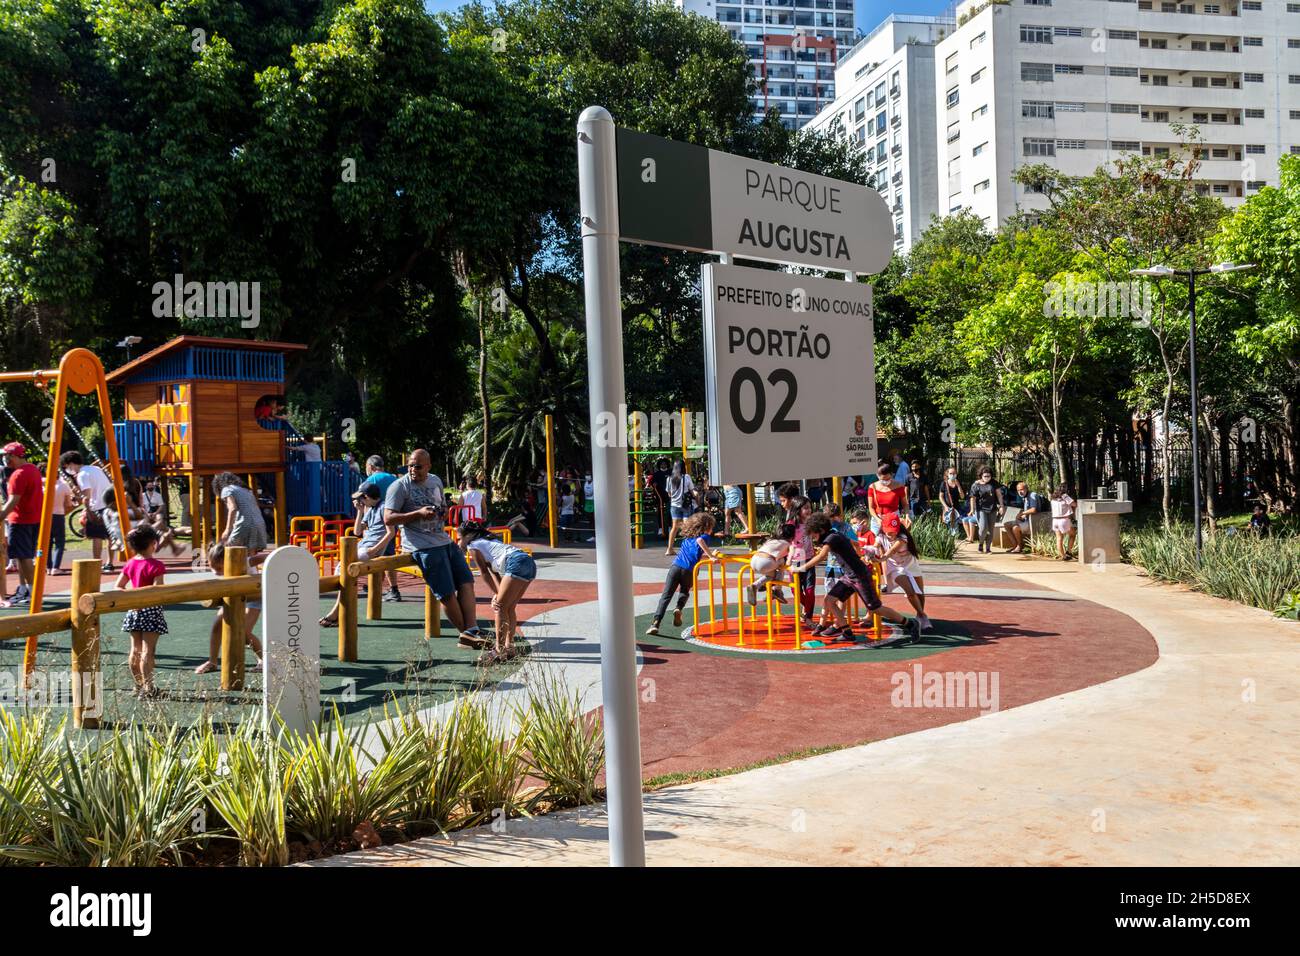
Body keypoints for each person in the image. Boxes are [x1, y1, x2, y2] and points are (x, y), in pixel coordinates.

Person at [385, 448, 484, 648]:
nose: (413, 469)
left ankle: (472, 630)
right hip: (421, 545)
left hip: (443, 539)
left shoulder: (435, 480)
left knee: (466, 581)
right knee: (446, 592)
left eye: (418, 466)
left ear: (428, 466)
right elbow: (388, 517)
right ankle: (466, 634)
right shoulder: (399, 487)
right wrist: (418, 513)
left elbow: (442, 506)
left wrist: (443, 512)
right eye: (410, 465)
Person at [791, 512, 921, 644]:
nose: (813, 537)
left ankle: (910, 624)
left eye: (813, 534)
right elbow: (849, 544)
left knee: (875, 608)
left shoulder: (832, 538)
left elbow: (822, 556)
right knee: (829, 600)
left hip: (860, 576)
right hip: (849, 576)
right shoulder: (833, 535)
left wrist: (801, 568)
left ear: (821, 530)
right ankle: (846, 632)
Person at [458, 519, 538, 662]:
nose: (459, 542)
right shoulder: (489, 542)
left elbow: (484, 573)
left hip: (516, 562)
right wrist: (497, 593)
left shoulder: (473, 545)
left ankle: (498, 650)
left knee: (500, 607)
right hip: (528, 562)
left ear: (468, 536)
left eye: (460, 538)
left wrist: (498, 597)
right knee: (509, 607)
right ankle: (509, 647)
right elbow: (493, 572)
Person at [319, 482, 395, 626]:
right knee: (341, 572)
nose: (360, 501)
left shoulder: (384, 508)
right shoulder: (370, 509)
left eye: (361, 498)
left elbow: (391, 533)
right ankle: (337, 612)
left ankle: (336, 613)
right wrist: (360, 511)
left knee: (344, 571)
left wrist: (374, 550)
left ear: (367, 497)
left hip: (369, 549)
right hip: (363, 546)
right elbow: (357, 532)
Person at [115, 525, 169, 699]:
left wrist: (133, 600)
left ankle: (138, 686)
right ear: (154, 543)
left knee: (135, 650)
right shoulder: (156, 565)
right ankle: (149, 687)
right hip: (151, 610)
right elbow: (158, 590)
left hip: (134, 610)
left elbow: (119, 586)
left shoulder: (130, 564)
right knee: (148, 651)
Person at [194, 541, 265, 676]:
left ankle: (264, 660)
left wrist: (268, 573)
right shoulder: (220, 566)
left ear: (228, 560)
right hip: (234, 596)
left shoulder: (244, 561)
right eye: (212, 567)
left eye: (219, 568)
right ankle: (212, 661)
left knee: (244, 632)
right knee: (217, 625)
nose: (216, 572)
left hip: (254, 599)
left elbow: (265, 557)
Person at [647, 513, 716, 636]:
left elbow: (693, 553)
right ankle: (678, 608)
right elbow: (700, 541)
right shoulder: (704, 537)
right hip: (689, 571)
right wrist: (711, 556)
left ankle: (655, 623)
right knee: (684, 591)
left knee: (666, 596)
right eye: (711, 527)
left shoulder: (687, 539)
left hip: (675, 567)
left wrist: (709, 555)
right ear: (706, 527)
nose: (712, 530)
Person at [0, 443, 43, 606]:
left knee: (24, 557)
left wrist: (1, 515)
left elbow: (13, 500)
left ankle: (33, 592)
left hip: (20, 521)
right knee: (22, 555)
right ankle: (24, 588)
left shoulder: (18, 475)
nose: (5, 459)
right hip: (33, 519)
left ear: (15, 456)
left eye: (7, 456)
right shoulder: (33, 469)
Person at [58, 451, 115, 571]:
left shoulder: (82, 475)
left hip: (97, 507)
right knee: (110, 536)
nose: (67, 470)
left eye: (66, 467)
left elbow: (87, 496)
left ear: (72, 464)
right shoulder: (95, 468)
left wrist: (87, 510)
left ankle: (96, 564)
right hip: (109, 505)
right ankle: (110, 562)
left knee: (97, 537)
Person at [875, 512, 930, 631]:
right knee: (910, 591)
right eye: (888, 531)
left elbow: (892, 550)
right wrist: (871, 551)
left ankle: (919, 614)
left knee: (919, 592)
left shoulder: (902, 537)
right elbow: (875, 547)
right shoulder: (880, 537)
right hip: (895, 568)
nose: (891, 534)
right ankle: (922, 615)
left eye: (894, 530)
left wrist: (883, 557)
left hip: (910, 564)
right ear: (883, 528)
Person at [213, 472, 269, 553]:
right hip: (259, 523)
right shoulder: (246, 490)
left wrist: (227, 530)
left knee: (230, 551)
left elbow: (233, 508)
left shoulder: (227, 489)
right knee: (251, 554)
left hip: (244, 524)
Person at [746, 522, 796, 606]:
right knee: (781, 565)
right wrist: (788, 562)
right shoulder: (788, 544)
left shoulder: (772, 540)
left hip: (754, 560)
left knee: (771, 575)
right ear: (792, 536)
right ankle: (777, 590)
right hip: (766, 562)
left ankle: (755, 585)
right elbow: (792, 552)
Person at [46, 466, 76, 575]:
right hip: (58, 514)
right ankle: (56, 566)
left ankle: (48, 566)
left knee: (47, 542)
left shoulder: (44, 486)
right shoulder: (63, 486)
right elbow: (68, 504)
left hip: (45, 516)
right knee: (59, 541)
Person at [968, 467, 1006, 554]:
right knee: (983, 528)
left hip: (992, 509)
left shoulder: (994, 483)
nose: (987, 477)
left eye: (989, 476)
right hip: (981, 509)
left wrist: (1001, 506)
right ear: (981, 475)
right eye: (985, 476)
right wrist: (972, 509)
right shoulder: (976, 485)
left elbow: (999, 495)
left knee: (991, 529)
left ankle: (988, 548)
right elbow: (972, 498)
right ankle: (981, 544)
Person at [663, 461, 697, 554]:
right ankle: (687, 549)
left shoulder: (669, 479)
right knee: (687, 527)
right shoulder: (686, 477)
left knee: (674, 527)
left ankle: (669, 549)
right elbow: (692, 490)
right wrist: (697, 497)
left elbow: (669, 494)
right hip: (685, 505)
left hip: (674, 505)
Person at [867, 459, 909, 533]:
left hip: (893, 519)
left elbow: (905, 504)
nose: (886, 481)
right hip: (878, 520)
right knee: (876, 542)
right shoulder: (872, 487)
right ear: (877, 476)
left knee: (892, 541)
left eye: (888, 479)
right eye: (883, 479)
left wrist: (907, 516)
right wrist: (877, 519)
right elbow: (871, 508)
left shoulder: (899, 486)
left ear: (892, 474)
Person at [1007, 481, 1045, 553]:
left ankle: (1020, 546)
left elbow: (1034, 510)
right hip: (1027, 520)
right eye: (1018, 490)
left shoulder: (1032, 495)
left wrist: (1022, 513)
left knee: (1015, 528)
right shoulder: (1025, 497)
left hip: (1034, 522)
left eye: (1021, 489)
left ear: (1027, 489)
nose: (1020, 492)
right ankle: (1015, 545)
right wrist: (1023, 515)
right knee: (1007, 524)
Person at [938, 467, 975, 541]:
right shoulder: (944, 484)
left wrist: (958, 486)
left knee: (955, 524)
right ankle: (949, 539)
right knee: (948, 523)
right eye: (951, 473)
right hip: (947, 508)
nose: (952, 475)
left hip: (956, 507)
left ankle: (954, 539)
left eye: (954, 473)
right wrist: (945, 507)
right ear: (948, 474)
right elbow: (941, 497)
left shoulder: (958, 483)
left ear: (956, 474)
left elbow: (962, 496)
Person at [1050, 484, 1077, 559]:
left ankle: (1064, 556)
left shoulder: (1053, 498)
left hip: (1055, 520)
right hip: (1064, 520)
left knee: (1059, 538)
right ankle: (1069, 551)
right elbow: (1074, 504)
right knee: (1072, 534)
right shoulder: (1065, 496)